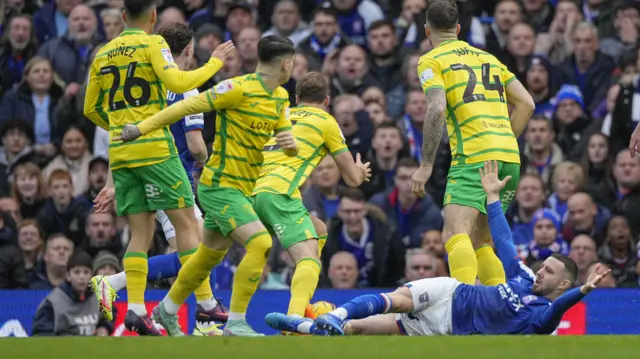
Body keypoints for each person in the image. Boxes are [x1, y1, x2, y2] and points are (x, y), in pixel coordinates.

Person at [275, 160, 609, 336]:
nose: (540, 271)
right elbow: (505, 242)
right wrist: (492, 198)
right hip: (450, 293)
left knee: (360, 329)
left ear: (563, 284)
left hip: (448, 327)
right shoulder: (522, 277)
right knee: (396, 300)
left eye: (549, 271)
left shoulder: (539, 320)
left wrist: (582, 291)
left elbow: (556, 311)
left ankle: (306, 326)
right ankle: (333, 314)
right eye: (543, 265)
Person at [113, 35, 299, 337]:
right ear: (287, 63)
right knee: (261, 243)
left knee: (205, 258)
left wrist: (291, 145)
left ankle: (166, 310)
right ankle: (236, 323)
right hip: (218, 187)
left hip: (243, 189)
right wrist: (140, 128)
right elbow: (186, 106)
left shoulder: (280, 97)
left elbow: (286, 139)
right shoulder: (237, 88)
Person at [82, 0, 234, 335]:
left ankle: (135, 309)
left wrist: (120, 125)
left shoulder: (104, 52)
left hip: (122, 155)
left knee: (139, 234)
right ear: (153, 17)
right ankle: (207, 305)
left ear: (123, 16)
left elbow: (90, 108)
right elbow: (179, 83)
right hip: (157, 153)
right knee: (189, 230)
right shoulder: (153, 44)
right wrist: (215, 65)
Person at [410, 0, 535, 287]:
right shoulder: (489, 58)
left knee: (455, 234)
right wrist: (502, 140)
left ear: (427, 30)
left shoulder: (432, 60)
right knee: (482, 242)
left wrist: (426, 165)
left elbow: (436, 108)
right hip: (508, 157)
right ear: (457, 29)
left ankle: (462, 308)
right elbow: (527, 104)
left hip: (473, 156)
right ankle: (500, 313)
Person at [253, 72, 370, 331]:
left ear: (296, 98)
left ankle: (303, 303)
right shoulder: (325, 121)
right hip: (278, 193)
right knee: (309, 259)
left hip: (249, 191)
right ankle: (294, 319)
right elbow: (351, 179)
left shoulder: (279, 117)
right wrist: (361, 171)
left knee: (318, 230)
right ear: (327, 100)